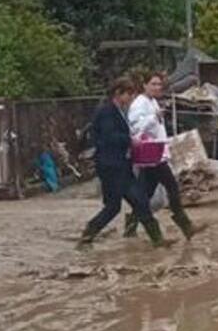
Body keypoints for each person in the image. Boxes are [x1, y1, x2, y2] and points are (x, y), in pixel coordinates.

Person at [77, 77, 169, 249]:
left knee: (140, 202)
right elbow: (109, 137)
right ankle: (88, 234)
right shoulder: (107, 112)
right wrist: (130, 140)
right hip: (111, 167)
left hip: (121, 166)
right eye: (129, 94)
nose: (131, 99)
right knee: (114, 206)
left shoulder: (118, 111)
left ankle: (158, 240)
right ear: (118, 93)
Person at [124, 72, 205, 241]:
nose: (157, 87)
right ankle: (186, 226)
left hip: (156, 154)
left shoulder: (152, 102)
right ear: (144, 85)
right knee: (172, 188)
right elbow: (135, 126)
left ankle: (131, 223)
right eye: (153, 84)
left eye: (159, 84)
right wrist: (154, 117)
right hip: (150, 155)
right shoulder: (140, 104)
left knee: (146, 194)